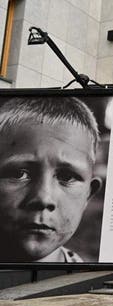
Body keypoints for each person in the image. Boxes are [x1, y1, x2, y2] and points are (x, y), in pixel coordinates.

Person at [0, 97, 103, 262]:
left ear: (88, 195)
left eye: (66, 177)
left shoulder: (87, 279)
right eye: (20, 174)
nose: (43, 198)